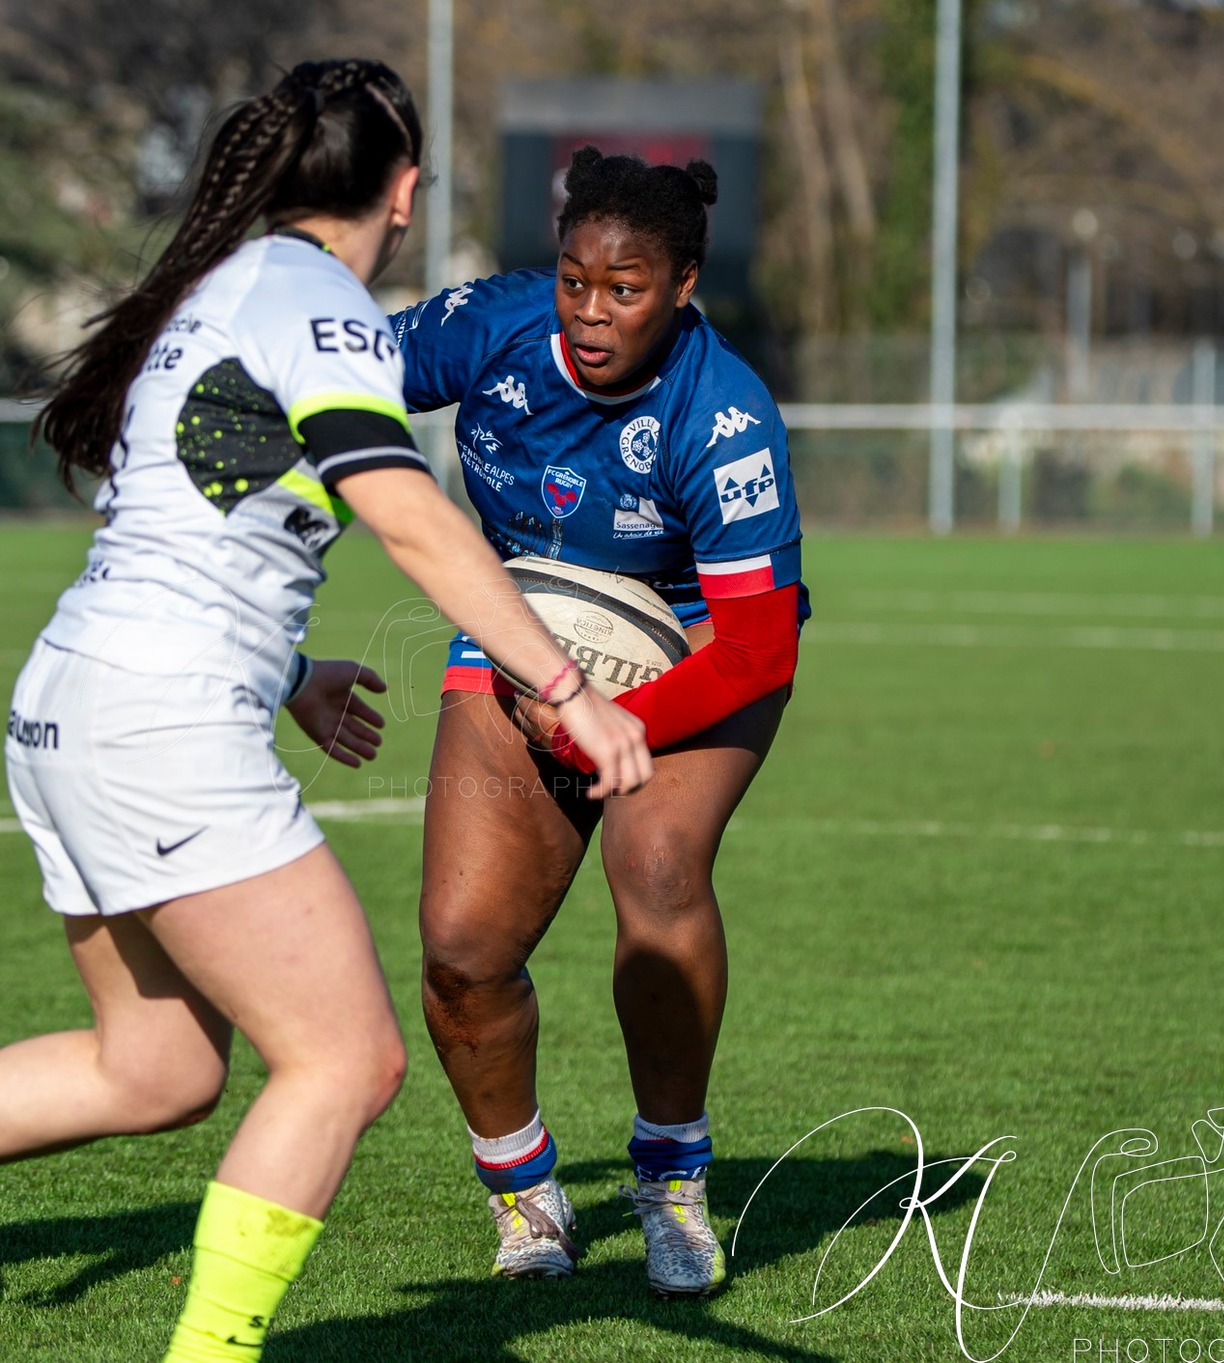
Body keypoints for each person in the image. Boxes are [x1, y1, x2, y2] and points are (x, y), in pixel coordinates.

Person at [0, 59, 651, 1363]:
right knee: (347, 1059)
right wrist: (564, 684)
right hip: (158, 725)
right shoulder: (320, 302)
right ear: (400, 191)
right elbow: (402, 507)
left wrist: (290, 672)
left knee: (156, 1066)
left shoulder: (221, 291)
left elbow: (194, 525)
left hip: (74, 705)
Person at [389, 148, 807, 1295]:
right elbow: (332, 384)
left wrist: (595, 729)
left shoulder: (723, 414)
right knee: (461, 948)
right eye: (574, 280)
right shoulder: (495, 325)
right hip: (520, 630)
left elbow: (758, 649)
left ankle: (670, 1178)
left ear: (682, 284)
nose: (588, 310)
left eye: (623, 289)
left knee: (656, 863)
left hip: (693, 653)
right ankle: (525, 1195)